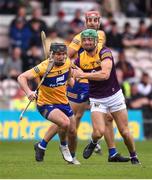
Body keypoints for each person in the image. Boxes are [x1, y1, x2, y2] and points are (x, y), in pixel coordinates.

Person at [34, 10, 130, 164]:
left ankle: (112, 153)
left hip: (98, 83)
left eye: (95, 19)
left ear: (99, 21)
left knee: (108, 118)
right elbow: (67, 56)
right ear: (85, 21)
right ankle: (45, 145)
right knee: (69, 119)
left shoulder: (102, 35)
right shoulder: (79, 38)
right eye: (89, 20)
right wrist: (65, 69)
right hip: (80, 84)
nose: (92, 22)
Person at [73, 29, 140, 165]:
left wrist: (83, 75)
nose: (87, 42)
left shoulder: (105, 52)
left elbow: (105, 75)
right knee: (98, 133)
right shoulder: (80, 59)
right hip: (97, 98)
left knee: (125, 132)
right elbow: (72, 73)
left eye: (90, 40)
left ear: (96, 41)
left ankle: (134, 156)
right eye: (85, 40)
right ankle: (93, 142)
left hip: (114, 96)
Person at [17, 43, 75, 163]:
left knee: (72, 129)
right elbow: (21, 77)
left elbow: (69, 74)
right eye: (58, 54)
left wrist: (70, 80)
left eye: (64, 54)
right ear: (52, 55)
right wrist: (28, 92)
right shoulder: (43, 67)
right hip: (46, 104)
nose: (62, 57)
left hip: (63, 102)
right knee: (64, 123)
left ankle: (41, 146)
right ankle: (64, 146)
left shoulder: (68, 62)